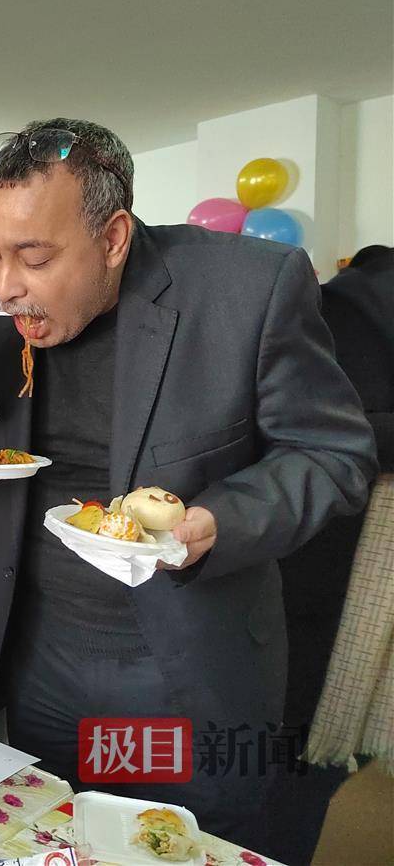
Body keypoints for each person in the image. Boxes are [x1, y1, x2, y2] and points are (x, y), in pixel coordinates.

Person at [0, 117, 377, 849]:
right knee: (63, 828)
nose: (6, 284)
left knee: (181, 839)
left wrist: (221, 519)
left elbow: (333, 455)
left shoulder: (246, 288)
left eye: (34, 256)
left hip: (180, 660)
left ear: (112, 239)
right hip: (37, 646)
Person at [264, 243, 393, 864]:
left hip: (328, 547)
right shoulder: (352, 306)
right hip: (358, 547)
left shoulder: (346, 303)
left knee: (297, 719)